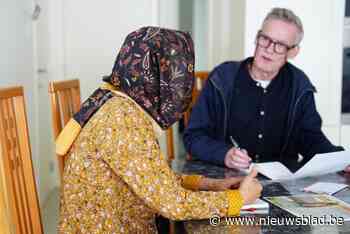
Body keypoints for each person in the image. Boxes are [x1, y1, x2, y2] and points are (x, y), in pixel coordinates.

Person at [56, 27, 262, 233]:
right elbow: (172, 204)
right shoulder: (123, 120)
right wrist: (238, 199)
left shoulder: (120, 104)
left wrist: (211, 185)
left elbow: (153, 180)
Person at [184, 8, 350, 172]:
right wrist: (225, 154)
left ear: (293, 51)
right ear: (257, 38)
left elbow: (311, 139)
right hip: (227, 182)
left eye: (280, 45)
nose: (269, 49)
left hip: (281, 186)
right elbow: (193, 137)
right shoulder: (222, 78)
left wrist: (340, 159)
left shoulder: (299, 85)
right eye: (265, 39)